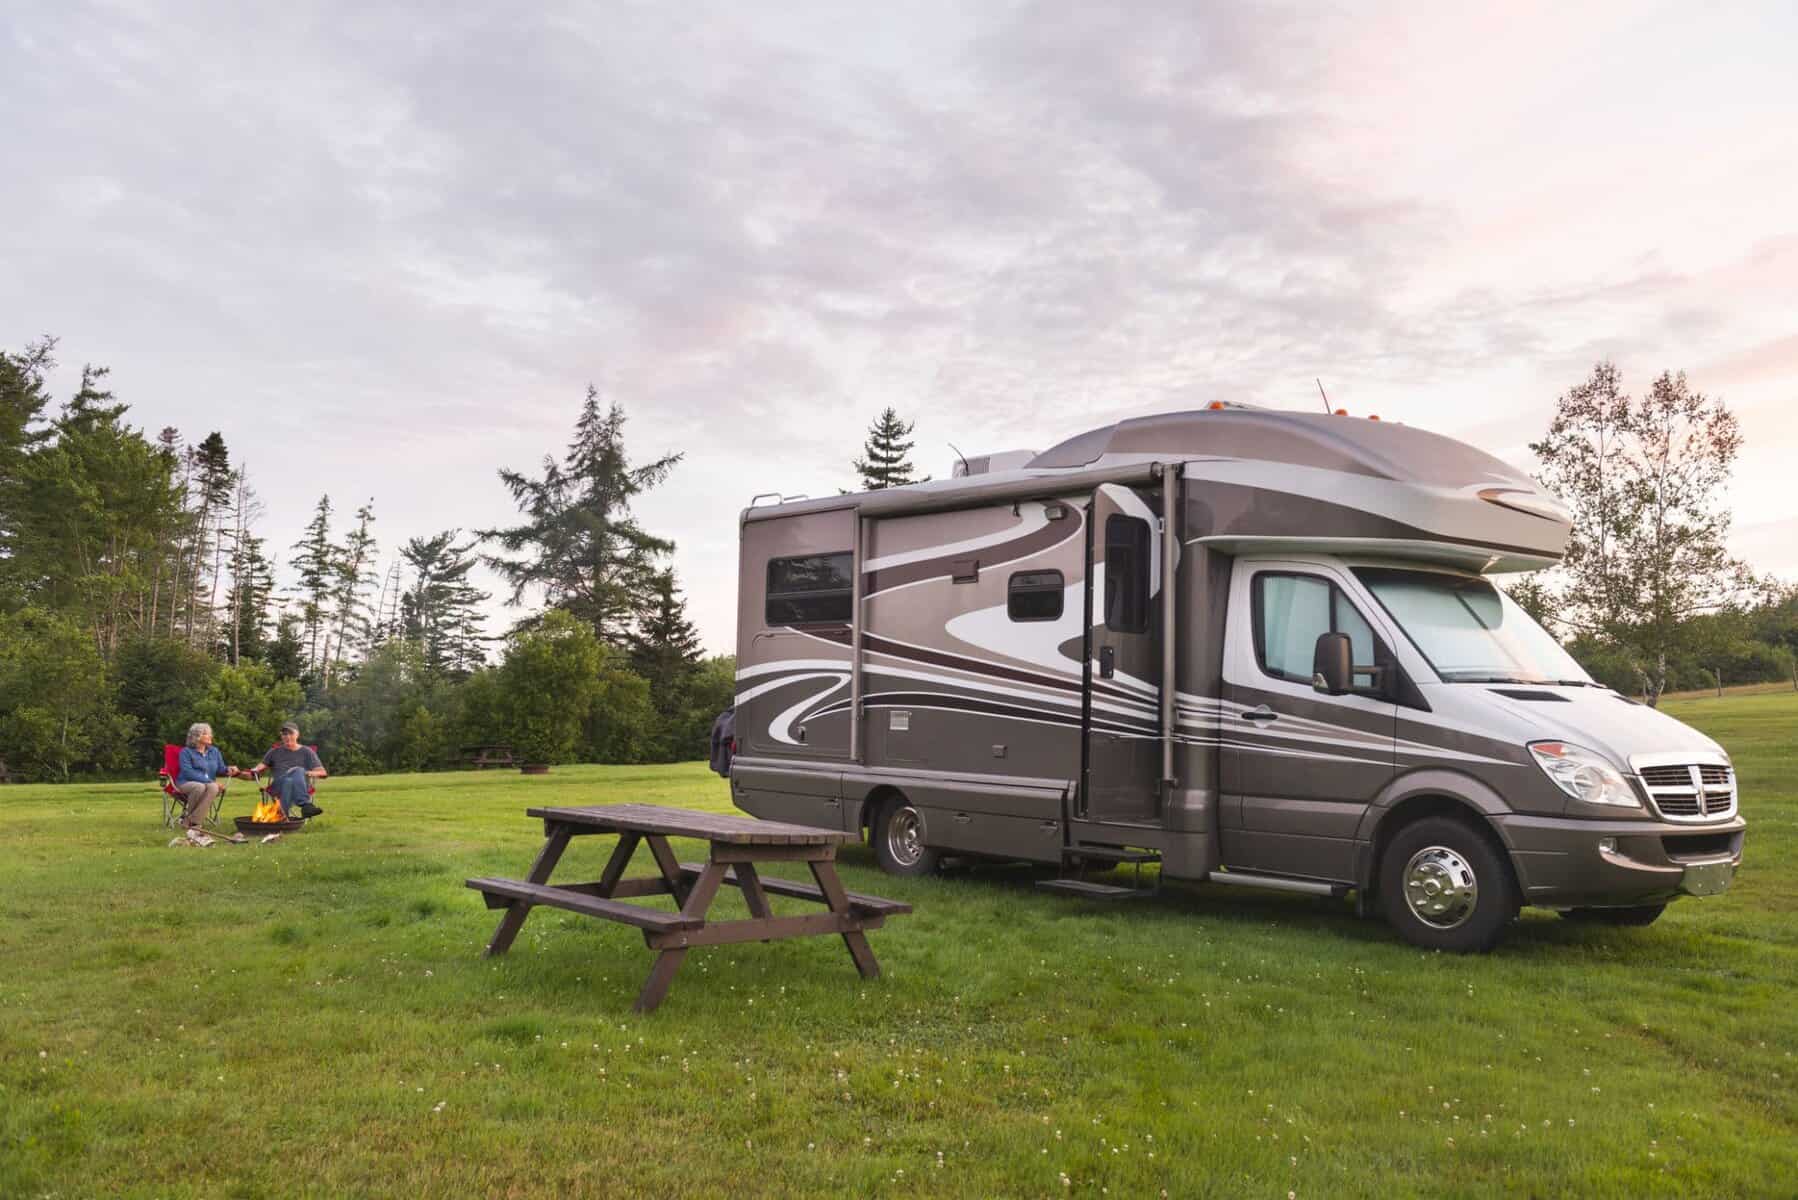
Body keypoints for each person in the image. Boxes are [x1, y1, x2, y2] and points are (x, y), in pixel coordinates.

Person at [174, 722, 242, 846]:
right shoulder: (186, 752)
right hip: (185, 783)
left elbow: (220, 768)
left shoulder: (214, 751)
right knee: (200, 786)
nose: (210, 735)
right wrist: (210, 781)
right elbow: (188, 772)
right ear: (196, 737)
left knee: (211, 787)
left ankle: (191, 821)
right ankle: (195, 824)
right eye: (206, 733)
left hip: (208, 785)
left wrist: (229, 769)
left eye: (209, 733)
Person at [249, 722, 326, 819]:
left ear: (297, 734)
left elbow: (323, 772)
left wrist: (308, 772)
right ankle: (306, 805)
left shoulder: (307, 751)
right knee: (296, 771)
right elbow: (262, 765)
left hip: (301, 788)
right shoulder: (275, 751)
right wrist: (255, 769)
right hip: (277, 787)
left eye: (291, 733)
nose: (287, 737)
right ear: (281, 736)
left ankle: (283, 816)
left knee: (290, 780)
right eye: (285, 734)